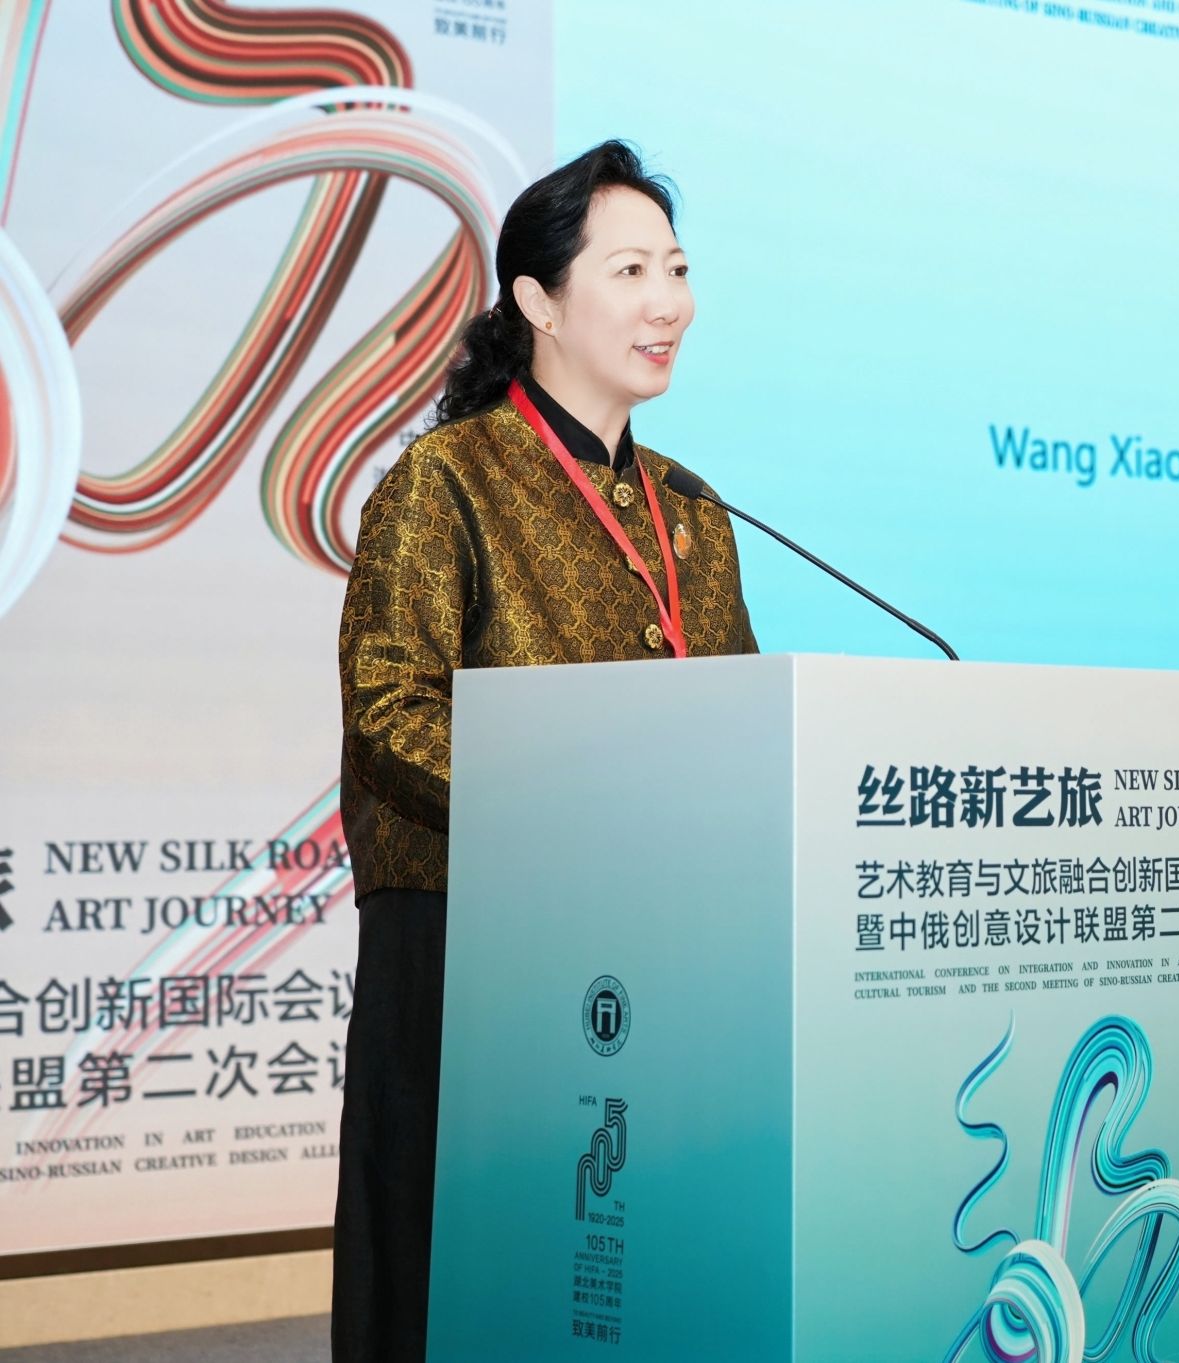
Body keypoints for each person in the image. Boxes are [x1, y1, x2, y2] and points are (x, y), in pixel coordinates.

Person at [331, 140, 756, 1362]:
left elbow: (740, 719)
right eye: (630, 270)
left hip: (658, 947)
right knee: (459, 1272)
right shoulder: (446, 480)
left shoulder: (692, 506)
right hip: (466, 942)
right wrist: (566, 822)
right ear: (537, 301)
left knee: (622, 1271)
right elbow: (389, 711)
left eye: (677, 268)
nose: (668, 301)